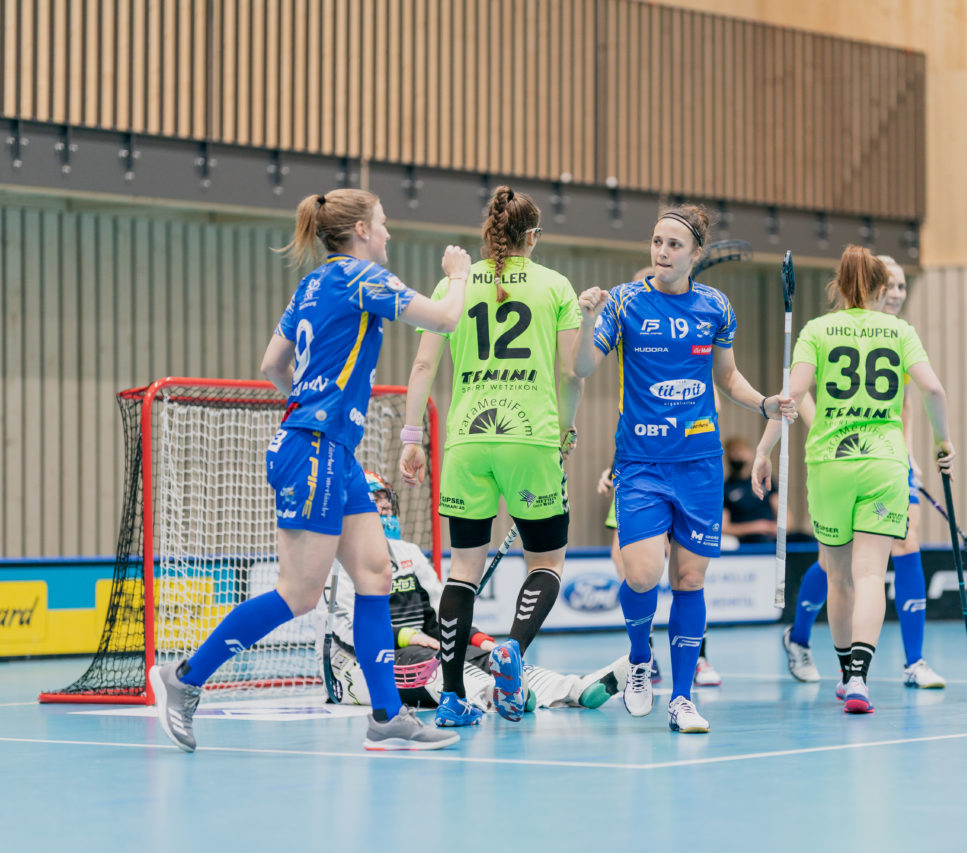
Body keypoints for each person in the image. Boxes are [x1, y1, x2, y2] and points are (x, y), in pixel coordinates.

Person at [147, 188, 472, 752]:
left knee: (374, 573)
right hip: (315, 450)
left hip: (331, 449)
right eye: (385, 224)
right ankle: (185, 678)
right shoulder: (362, 278)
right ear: (363, 231)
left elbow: (273, 363)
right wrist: (459, 273)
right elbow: (445, 319)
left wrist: (309, 402)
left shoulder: (313, 284)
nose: (389, 234)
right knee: (298, 593)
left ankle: (386, 715)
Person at [572, 203, 786, 733]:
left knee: (689, 579)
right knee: (642, 574)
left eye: (673, 245)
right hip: (641, 463)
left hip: (700, 464)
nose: (661, 252)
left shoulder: (716, 307)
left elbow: (729, 377)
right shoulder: (622, 303)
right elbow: (578, 367)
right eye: (656, 242)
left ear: (694, 254)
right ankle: (640, 661)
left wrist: (763, 404)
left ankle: (683, 697)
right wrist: (586, 318)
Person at [400, 186, 583, 727]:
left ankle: (454, 698)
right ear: (533, 237)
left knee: (462, 572)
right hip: (530, 438)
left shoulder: (453, 284)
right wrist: (566, 432)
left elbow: (421, 367)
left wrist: (413, 436)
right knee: (546, 563)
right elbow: (571, 374)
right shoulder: (556, 286)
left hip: (467, 440)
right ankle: (514, 651)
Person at [756, 245, 953, 714]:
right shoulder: (899, 330)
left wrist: (764, 450)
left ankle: (845, 674)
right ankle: (861, 679)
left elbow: (791, 397)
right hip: (885, 463)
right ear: (881, 287)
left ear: (839, 287)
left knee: (839, 576)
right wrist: (943, 443)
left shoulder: (817, 330)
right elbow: (933, 389)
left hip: (830, 465)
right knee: (870, 575)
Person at [323, 472, 629, 713]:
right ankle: (498, 695)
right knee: (434, 662)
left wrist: (477, 637)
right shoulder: (336, 561)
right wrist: (408, 637)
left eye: (386, 498)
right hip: (356, 665)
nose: (385, 505)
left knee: (476, 655)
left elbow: (439, 616)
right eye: (375, 499)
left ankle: (572, 689)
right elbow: (346, 632)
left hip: (425, 647)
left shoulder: (409, 554)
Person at [723, 435, 778, 545]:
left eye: (740, 451)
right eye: (733, 452)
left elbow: (783, 511)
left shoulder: (765, 480)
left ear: (750, 453)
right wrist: (758, 527)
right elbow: (724, 527)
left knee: (804, 539)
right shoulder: (726, 488)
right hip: (750, 540)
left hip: (773, 535)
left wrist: (780, 529)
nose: (737, 456)